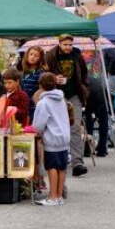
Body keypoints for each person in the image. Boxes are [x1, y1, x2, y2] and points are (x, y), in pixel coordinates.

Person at [46, 33, 89, 176]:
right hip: (57, 95)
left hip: (74, 94)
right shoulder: (51, 56)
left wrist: (84, 88)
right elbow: (45, 74)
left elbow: (84, 74)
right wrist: (53, 78)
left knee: (75, 127)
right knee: (58, 127)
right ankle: (60, 160)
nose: (68, 47)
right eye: (65, 44)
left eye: (70, 45)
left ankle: (78, 163)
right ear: (59, 44)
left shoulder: (77, 55)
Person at [33, 72, 70, 206]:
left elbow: (38, 124)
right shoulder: (61, 99)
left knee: (52, 167)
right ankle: (59, 195)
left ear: (40, 86)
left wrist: (38, 132)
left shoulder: (43, 103)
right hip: (64, 136)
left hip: (52, 138)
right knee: (62, 167)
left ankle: (52, 196)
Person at [21, 46, 48, 122]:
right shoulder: (25, 72)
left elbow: (42, 90)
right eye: (31, 54)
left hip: (35, 106)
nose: (32, 57)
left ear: (40, 58)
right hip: (26, 106)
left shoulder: (40, 73)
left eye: (36, 56)